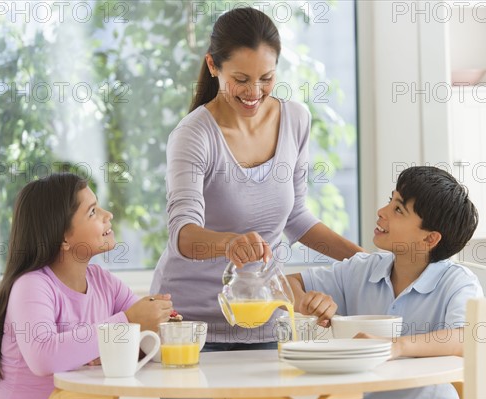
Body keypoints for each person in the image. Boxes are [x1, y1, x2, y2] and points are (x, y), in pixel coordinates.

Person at [150, 7, 363, 351]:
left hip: (265, 318)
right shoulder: (193, 135)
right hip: (189, 325)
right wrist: (228, 243)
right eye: (242, 79)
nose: (255, 92)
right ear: (212, 66)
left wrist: (362, 260)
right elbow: (183, 235)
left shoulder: (295, 119)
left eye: (266, 78)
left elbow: (296, 217)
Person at [287, 166, 482, 399]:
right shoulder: (360, 269)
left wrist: (396, 346)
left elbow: (465, 338)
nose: (382, 211)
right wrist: (303, 301)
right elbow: (285, 283)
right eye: (390, 201)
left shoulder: (458, 283)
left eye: (398, 209)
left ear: (430, 238)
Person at [0, 173, 173, 399]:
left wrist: (158, 318)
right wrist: (126, 323)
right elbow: (43, 357)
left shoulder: (103, 282)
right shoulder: (31, 285)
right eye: (93, 212)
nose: (108, 215)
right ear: (63, 238)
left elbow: (149, 333)